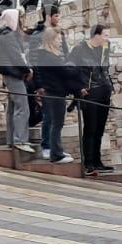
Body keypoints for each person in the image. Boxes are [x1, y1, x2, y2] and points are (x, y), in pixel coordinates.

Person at [69, 25, 114, 174]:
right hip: (89, 93)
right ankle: (88, 162)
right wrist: (78, 88)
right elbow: (70, 69)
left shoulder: (105, 48)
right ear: (96, 35)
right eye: (105, 35)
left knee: (100, 129)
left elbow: (104, 69)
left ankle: (97, 161)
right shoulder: (79, 49)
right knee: (90, 128)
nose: (107, 38)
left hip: (104, 91)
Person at [32, 27, 79, 163]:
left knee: (55, 123)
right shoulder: (48, 56)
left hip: (53, 92)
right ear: (51, 40)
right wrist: (74, 66)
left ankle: (56, 149)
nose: (60, 42)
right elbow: (65, 72)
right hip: (54, 93)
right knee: (56, 124)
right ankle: (56, 154)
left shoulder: (46, 55)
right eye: (58, 39)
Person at [0, 9, 35, 153]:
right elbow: (16, 57)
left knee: (12, 109)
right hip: (14, 74)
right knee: (22, 107)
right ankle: (20, 140)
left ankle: (12, 139)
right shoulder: (9, 36)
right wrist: (27, 70)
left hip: (10, 74)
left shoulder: (4, 35)